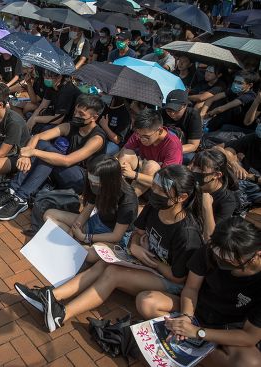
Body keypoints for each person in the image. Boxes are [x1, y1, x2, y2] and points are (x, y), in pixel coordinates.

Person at [16, 165, 203, 332]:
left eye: (160, 190)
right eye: (153, 186)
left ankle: (61, 315)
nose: (153, 192)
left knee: (113, 272)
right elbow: (137, 233)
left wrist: (149, 260)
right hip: (144, 260)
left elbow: (178, 277)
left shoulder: (187, 234)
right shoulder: (155, 207)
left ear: (181, 197)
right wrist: (136, 247)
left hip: (167, 278)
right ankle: (50, 295)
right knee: (103, 263)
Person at [137, 217, 261, 367]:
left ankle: (195, 344)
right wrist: (186, 316)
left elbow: (250, 336)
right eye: (217, 253)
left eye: (229, 258)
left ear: (256, 254)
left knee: (250, 363)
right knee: (146, 302)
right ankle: (194, 342)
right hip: (198, 309)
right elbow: (191, 288)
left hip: (229, 327)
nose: (219, 259)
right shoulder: (211, 250)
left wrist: (198, 333)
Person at [0, 94, 106, 221]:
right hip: (59, 169)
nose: (76, 115)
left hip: (79, 179)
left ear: (94, 118)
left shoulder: (97, 138)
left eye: (81, 114)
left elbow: (68, 161)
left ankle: (21, 197)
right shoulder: (70, 126)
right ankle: (12, 191)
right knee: (43, 145)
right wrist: (25, 155)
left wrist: (33, 152)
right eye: (76, 111)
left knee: (46, 151)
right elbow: (37, 137)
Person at [43, 155, 138, 255]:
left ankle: (82, 243)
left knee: (90, 253)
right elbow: (87, 211)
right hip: (95, 223)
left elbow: (116, 236)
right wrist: (75, 229)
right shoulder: (96, 185)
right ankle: (76, 241)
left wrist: (86, 237)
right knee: (49, 215)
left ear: (109, 181)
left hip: (112, 236)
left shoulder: (128, 199)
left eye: (96, 183)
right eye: (90, 181)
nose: (92, 184)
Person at [118, 109, 183, 197]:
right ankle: (114, 191)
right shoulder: (141, 133)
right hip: (142, 170)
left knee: (151, 166)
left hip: (158, 184)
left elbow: (166, 183)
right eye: (138, 134)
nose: (141, 139)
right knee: (126, 154)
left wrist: (134, 175)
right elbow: (124, 151)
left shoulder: (173, 145)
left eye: (146, 137)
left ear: (159, 131)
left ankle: (126, 200)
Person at [190, 149, 239, 240]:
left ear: (216, 175)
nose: (195, 171)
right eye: (194, 166)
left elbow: (210, 238)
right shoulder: (192, 184)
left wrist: (207, 207)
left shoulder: (227, 201)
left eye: (200, 169)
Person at [220, 124, 261, 207]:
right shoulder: (254, 138)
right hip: (244, 179)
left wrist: (249, 176)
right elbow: (220, 148)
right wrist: (234, 163)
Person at [161, 89, 203, 164]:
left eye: (176, 110)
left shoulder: (193, 116)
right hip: (161, 146)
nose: (172, 114)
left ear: (185, 106)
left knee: (191, 159)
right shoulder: (161, 113)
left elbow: (193, 145)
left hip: (183, 148)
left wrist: (171, 150)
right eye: (169, 110)